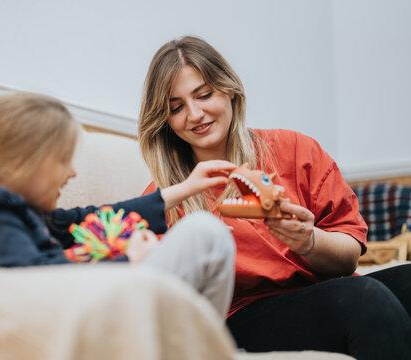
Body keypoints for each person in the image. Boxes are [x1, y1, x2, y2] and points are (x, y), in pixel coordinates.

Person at [138, 36, 411, 359]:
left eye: (204, 94)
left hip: (326, 289)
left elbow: (349, 256)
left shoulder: (296, 150)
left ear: (230, 90)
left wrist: (308, 240)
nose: (195, 114)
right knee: (364, 298)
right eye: (177, 107)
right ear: (165, 120)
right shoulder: (165, 200)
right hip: (239, 318)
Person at [0, 92, 237, 318]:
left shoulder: (22, 213)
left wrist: (184, 188)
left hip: (86, 314)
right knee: (205, 234)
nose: (71, 173)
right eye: (62, 161)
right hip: (69, 324)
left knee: (206, 235)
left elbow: (95, 218)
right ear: (22, 164)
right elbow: (33, 281)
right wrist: (129, 260)